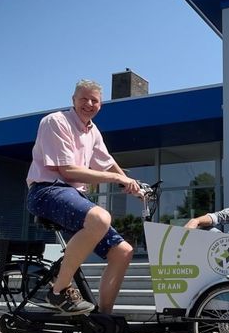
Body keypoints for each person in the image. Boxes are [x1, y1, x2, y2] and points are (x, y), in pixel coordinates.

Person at [25, 79, 143, 315]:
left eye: (94, 100)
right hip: (46, 191)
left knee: (123, 252)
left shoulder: (92, 130)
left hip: (72, 195)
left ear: (100, 105)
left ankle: (104, 319)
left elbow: (107, 162)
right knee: (100, 218)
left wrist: (134, 185)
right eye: (83, 99)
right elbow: (68, 171)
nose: (89, 104)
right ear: (73, 100)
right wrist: (118, 180)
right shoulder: (56, 122)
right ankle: (58, 291)